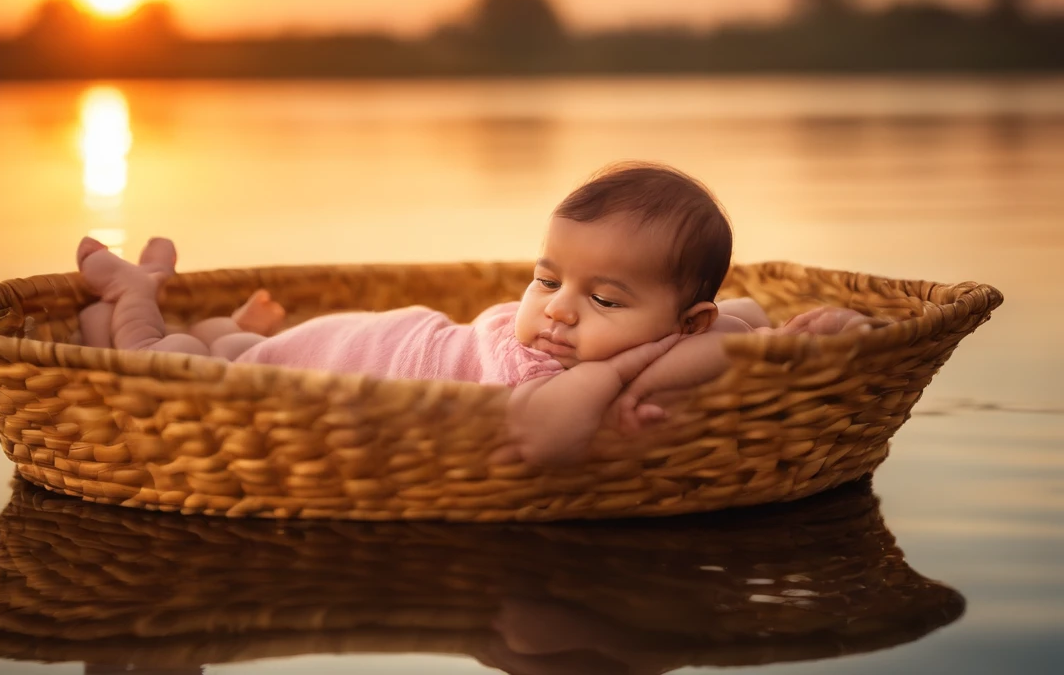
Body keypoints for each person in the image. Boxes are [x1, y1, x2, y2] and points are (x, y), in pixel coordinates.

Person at [75, 162, 880, 466]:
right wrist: (649, 355)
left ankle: (230, 324)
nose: (559, 312)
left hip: (359, 345)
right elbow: (542, 436)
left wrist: (796, 334)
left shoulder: (641, 345)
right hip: (339, 354)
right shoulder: (546, 370)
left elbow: (729, 323)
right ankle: (133, 298)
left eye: (602, 299)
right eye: (546, 279)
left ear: (685, 320)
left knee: (237, 337)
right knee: (177, 357)